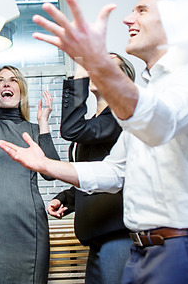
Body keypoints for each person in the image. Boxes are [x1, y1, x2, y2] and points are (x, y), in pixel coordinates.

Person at [0, 0, 188, 283]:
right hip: (145, 252)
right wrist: (46, 165)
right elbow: (115, 171)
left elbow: (159, 124)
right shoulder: (151, 92)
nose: (128, 19)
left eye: (142, 11)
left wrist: (98, 63)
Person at [48, 53, 135, 284]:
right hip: (97, 239)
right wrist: (66, 199)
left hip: (117, 237)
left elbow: (71, 129)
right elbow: (96, 174)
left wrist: (80, 70)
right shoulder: (98, 123)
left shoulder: (120, 119)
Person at [0, 65, 60, 284]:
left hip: (30, 225)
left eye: (12, 80)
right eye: (1, 80)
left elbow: (51, 173)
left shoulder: (35, 130)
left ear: (22, 91)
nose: (6, 84)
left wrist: (43, 123)